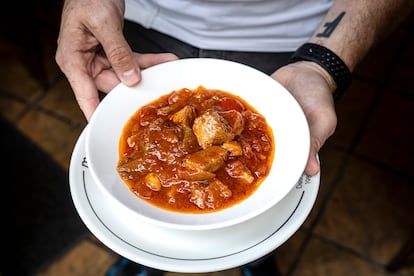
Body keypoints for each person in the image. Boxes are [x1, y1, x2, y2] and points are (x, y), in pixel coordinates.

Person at [55, 0, 413, 275]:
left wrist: (323, 63)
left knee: (268, 207)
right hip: (139, 25)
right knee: (133, 214)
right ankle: (141, 258)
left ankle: (256, 253)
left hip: (294, 42)